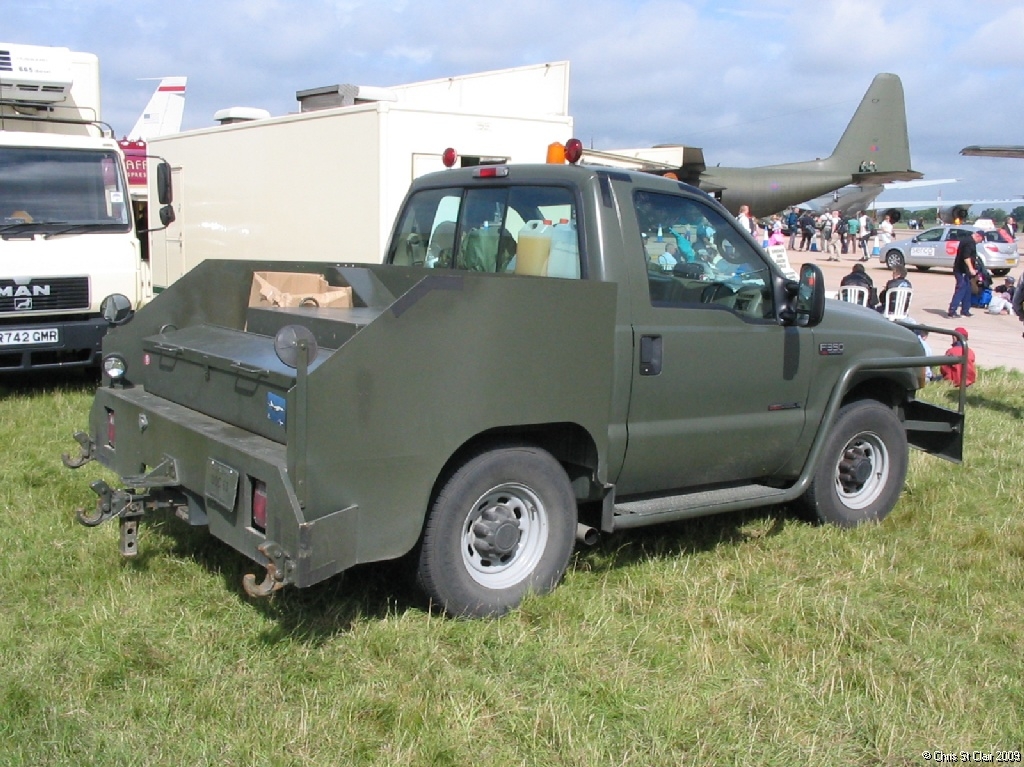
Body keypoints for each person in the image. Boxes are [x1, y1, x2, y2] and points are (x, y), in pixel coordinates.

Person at [947, 230, 983, 318]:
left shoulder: (969, 241)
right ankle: (952, 310)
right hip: (961, 270)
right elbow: (966, 257)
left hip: (966, 271)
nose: (980, 242)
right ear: (978, 236)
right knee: (961, 289)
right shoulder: (969, 242)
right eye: (981, 240)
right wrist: (971, 268)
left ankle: (965, 310)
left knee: (967, 289)